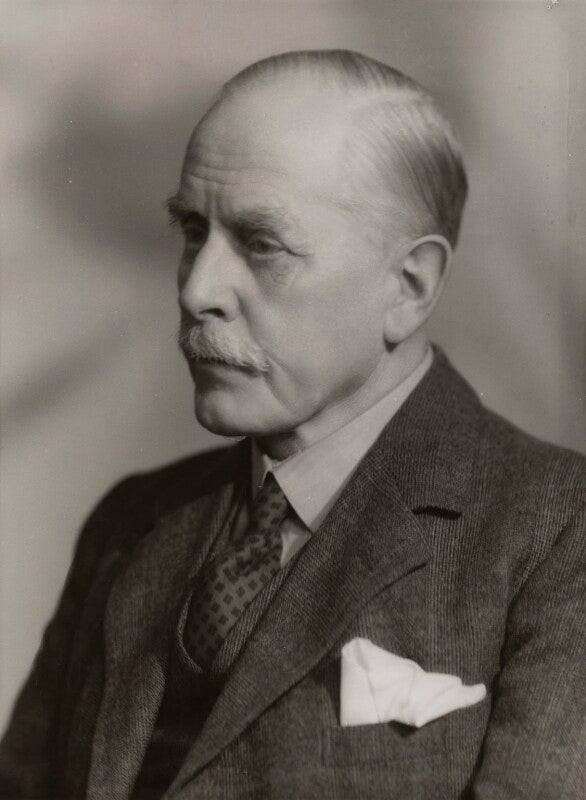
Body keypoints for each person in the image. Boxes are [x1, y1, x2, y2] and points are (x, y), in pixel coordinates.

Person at [0, 49, 584, 800]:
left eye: (262, 244)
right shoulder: (130, 522)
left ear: (409, 286)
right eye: (192, 230)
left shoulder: (559, 533)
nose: (198, 290)